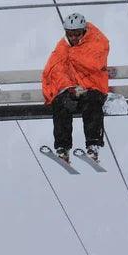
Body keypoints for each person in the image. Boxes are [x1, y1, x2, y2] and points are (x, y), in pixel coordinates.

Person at [41, 12, 110, 163]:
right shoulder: (62, 47)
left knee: (92, 101)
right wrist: (69, 87)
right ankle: (62, 147)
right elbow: (55, 70)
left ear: (84, 31)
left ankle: (93, 145)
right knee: (60, 103)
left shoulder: (97, 41)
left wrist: (72, 56)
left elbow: (94, 64)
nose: (73, 38)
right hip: (73, 90)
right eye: (70, 34)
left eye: (77, 34)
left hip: (93, 87)